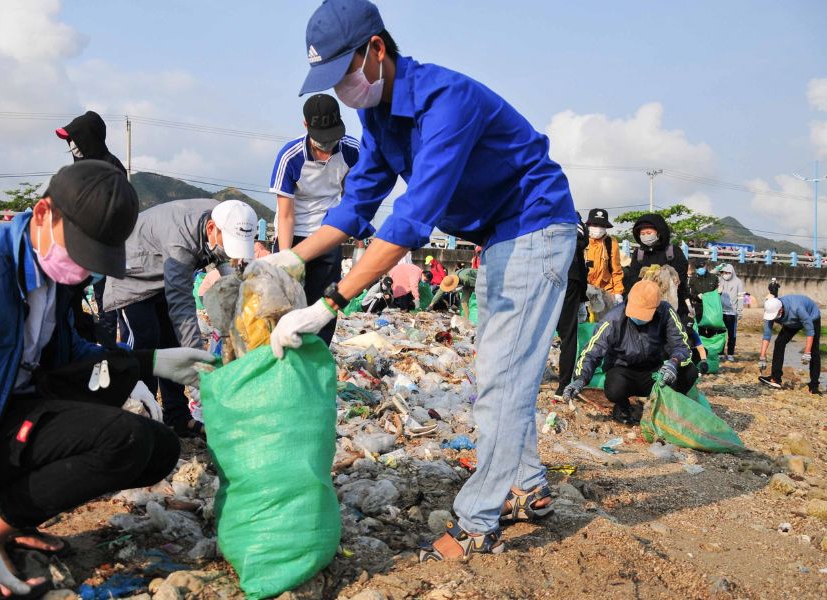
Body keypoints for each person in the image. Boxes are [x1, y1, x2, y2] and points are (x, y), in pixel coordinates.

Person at [266, 0, 577, 560]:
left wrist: (331, 301)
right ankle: (528, 485)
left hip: (534, 225)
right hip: (499, 237)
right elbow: (359, 199)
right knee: (501, 368)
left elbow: (412, 216)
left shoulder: (445, 101)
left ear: (376, 50)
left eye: (343, 73)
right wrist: (288, 260)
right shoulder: (380, 117)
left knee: (502, 377)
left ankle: (478, 520)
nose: (341, 89)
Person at [0, 161, 216, 599]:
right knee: (122, 440)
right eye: (78, 250)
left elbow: (70, 357)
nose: (81, 268)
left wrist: (150, 361)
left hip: (5, 414)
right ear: (41, 214)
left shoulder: (51, 275)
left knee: (159, 447)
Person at [104, 199, 258, 436]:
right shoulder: (181, 240)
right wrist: (199, 369)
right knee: (145, 342)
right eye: (228, 245)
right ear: (211, 229)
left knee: (173, 344)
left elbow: (232, 274)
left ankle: (177, 417)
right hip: (132, 276)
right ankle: (141, 417)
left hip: (162, 278)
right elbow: (182, 305)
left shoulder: (230, 216)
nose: (229, 252)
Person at [270, 93, 360, 346]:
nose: (327, 149)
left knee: (324, 306)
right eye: (322, 142)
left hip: (328, 234)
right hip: (294, 233)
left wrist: (350, 229)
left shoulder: (352, 151)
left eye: (332, 140)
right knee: (286, 305)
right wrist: (287, 259)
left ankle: (315, 359)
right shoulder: (290, 157)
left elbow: (350, 193)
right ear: (306, 126)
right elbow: (286, 215)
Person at [566, 280, 697, 424]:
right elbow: (592, 351)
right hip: (624, 371)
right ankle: (623, 406)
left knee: (690, 371)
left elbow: (681, 344)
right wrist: (580, 379)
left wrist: (673, 363)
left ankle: (663, 408)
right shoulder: (613, 319)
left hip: (655, 372)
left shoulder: (666, 311)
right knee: (615, 387)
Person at [56, 110, 128, 348]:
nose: (72, 145)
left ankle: (107, 350)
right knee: (70, 297)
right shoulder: (77, 168)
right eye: (69, 141)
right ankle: (77, 344)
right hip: (75, 246)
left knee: (105, 299)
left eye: (75, 139)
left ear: (89, 138)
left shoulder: (112, 167)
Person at [623, 213, 690, 319]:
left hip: (671, 307)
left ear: (659, 233)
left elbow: (680, 279)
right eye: (643, 233)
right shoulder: (639, 253)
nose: (645, 236)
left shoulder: (673, 252)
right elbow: (633, 280)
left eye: (649, 232)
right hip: (644, 307)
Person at [555, 216, 589, 399]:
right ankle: (563, 385)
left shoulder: (565, 214)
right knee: (567, 334)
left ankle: (563, 384)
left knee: (542, 331)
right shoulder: (572, 216)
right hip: (569, 276)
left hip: (562, 276)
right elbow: (581, 241)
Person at [758, 295, 821, 394]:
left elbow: (810, 331)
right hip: (792, 322)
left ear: (781, 310)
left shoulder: (798, 308)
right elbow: (766, 335)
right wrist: (762, 356)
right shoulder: (770, 310)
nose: (773, 319)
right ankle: (775, 379)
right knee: (779, 343)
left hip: (811, 317)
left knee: (814, 350)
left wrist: (807, 352)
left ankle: (814, 386)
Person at [584, 208, 624, 304]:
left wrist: (618, 292)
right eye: (595, 224)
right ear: (589, 225)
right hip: (584, 291)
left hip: (605, 291)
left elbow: (616, 270)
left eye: (602, 225)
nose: (598, 228)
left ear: (606, 227)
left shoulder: (611, 242)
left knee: (605, 319)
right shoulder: (582, 241)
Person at [717, 263, 745, 361]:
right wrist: (718, 268)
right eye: (724, 272)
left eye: (728, 272)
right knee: (720, 333)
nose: (726, 274)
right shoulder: (720, 280)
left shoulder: (738, 282)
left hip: (732, 313)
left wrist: (740, 311)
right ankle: (720, 352)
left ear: (732, 272)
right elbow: (711, 275)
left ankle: (730, 354)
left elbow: (741, 297)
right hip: (720, 312)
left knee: (731, 335)